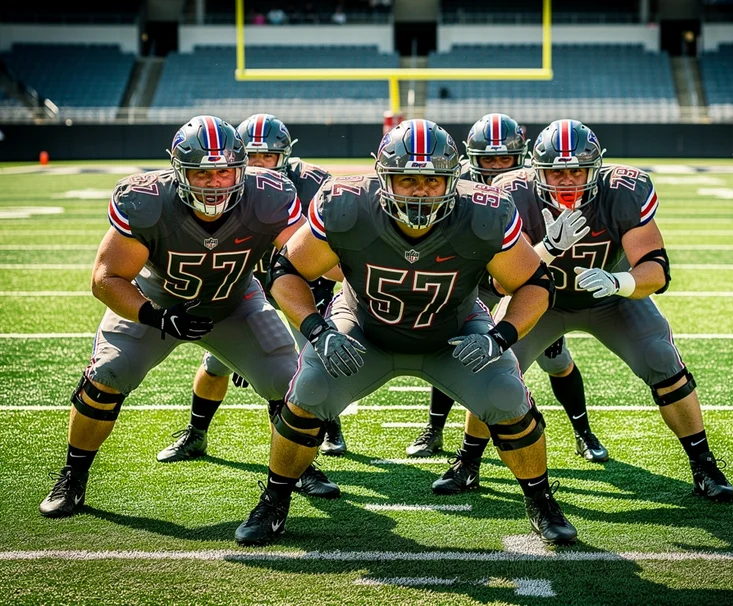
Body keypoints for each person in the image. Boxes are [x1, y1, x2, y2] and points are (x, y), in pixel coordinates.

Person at [234, 119, 577, 547]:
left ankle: (541, 500)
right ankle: (275, 499)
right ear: (382, 177)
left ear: (454, 180)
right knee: (310, 387)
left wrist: (501, 336)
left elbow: (535, 284)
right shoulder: (346, 204)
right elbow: (286, 271)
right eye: (407, 179)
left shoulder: (486, 212)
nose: (419, 191)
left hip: (452, 332)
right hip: (363, 327)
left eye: (431, 181)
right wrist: (317, 329)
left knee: (507, 395)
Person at [432, 119, 733, 502]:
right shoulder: (513, 193)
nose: (567, 181)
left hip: (609, 298)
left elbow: (656, 270)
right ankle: (468, 464)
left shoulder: (622, 190)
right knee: (493, 368)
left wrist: (619, 282)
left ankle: (704, 465)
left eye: (577, 170)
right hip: (541, 301)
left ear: (596, 168)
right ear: (535, 169)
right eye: (557, 172)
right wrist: (546, 250)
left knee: (661, 358)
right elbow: (502, 281)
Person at [39, 116, 305, 518]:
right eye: (201, 173)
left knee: (291, 384)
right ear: (179, 171)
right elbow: (106, 278)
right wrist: (157, 317)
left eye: (225, 171)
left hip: (236, 299)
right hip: (159, 297)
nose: (215, 183)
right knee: (109, 372)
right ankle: (73, 476)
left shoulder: (270, 193)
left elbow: (305, 260)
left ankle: (281, 492)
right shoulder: (146, 198)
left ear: (242, 167)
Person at [155, 114, 343, 498]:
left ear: (285, 157)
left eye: (267, 157)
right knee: (215, 364)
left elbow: (327, 246)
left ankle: (321, 436)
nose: (259, 165)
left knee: (314, 360)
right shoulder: (225, 186)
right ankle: (196, 432)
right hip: (242, 284)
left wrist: (321, 290)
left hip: (296, 283)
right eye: (251, 157)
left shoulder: (313, 184)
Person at [406, 113, 606, 467]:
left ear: (524, 160)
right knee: (454, 350)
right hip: (474, 282)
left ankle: (583, 431)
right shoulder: (455, 185)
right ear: (470, 160)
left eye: (506, 160)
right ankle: (434, 428)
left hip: (523, 280)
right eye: (488, 160)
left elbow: (534, 258)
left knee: (555, 358)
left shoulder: (532, 187)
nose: (498, 169)